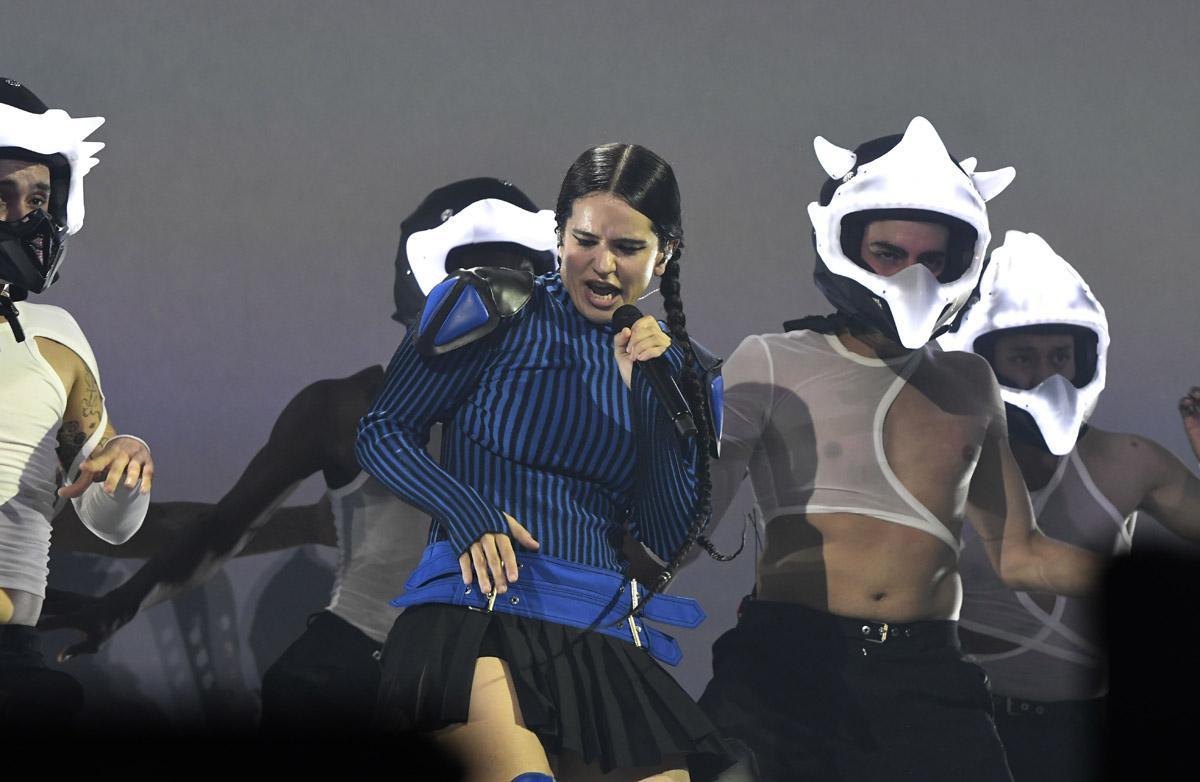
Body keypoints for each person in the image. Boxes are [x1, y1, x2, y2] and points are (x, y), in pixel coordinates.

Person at [39, 177, 560, 735]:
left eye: (518, 278)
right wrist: (124, 602)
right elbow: (221, 529)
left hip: (492, 677)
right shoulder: (344, 407)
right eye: (479, 276)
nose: (498, 297)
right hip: (355, 672)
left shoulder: (564, 416)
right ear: (428, 277)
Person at [694, 117, 1104, 782]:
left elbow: (1018, 553)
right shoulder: (770, 360)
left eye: (932, 259)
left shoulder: (970, 383)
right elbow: (685, 522)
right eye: (889, 253)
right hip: (784, 667)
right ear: (844, 242)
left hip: (928, 677)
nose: (912, 277)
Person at [357, 143, 730, 782]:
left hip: (599, 630)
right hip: (476, 617)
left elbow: (665, 537)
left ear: (664, 255)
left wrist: (656, 387)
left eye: (628, 248)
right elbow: (382, 430)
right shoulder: (489, 308)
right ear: (558, 234)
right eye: (585, 239)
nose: (602, 264)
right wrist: (466, 508)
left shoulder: (684, 374)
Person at [940, 229, 1200, 781]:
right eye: (1023, 358)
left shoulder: (1128, 459)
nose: (1046, 376)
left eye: (1061, 355)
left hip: (1086, 731)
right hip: (968, 727)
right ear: (983, 361)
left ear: (1088, 357)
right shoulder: (941, 459)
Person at [0, 77, 154, 731]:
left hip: (14, 661)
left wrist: (125, 460)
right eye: (2, 196)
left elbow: (109, 520)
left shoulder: (55, 337)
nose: (25, 217)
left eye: (38, 196)